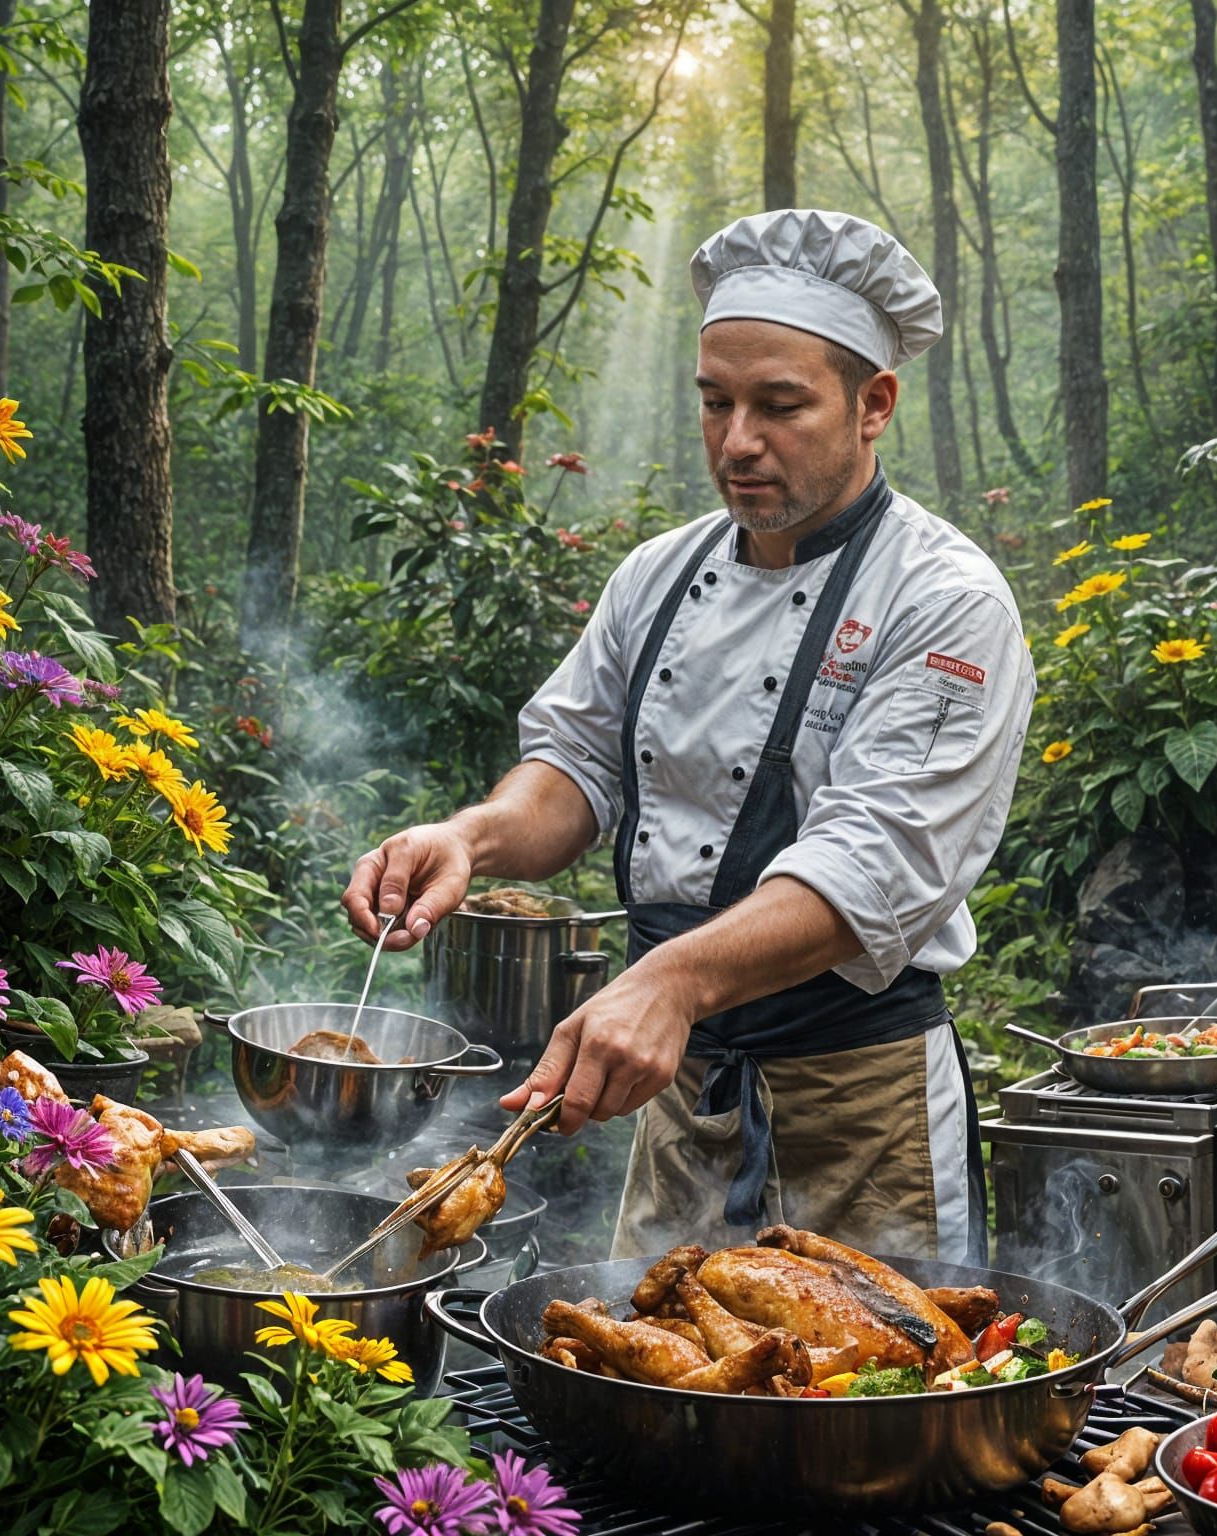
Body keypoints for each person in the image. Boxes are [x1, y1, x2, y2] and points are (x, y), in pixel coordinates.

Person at [343, 208, 1034, 1263]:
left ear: (874, 404)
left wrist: (667, 982)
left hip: (862, 1116)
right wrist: (472, 839)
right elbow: (575, 762)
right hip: (678, 1097)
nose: (738, 442)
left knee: (863, 1405)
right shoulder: (659, 575)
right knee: (654, 1394)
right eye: (715, 403)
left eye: (780, 406)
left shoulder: (944, 601)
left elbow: (875, 866)